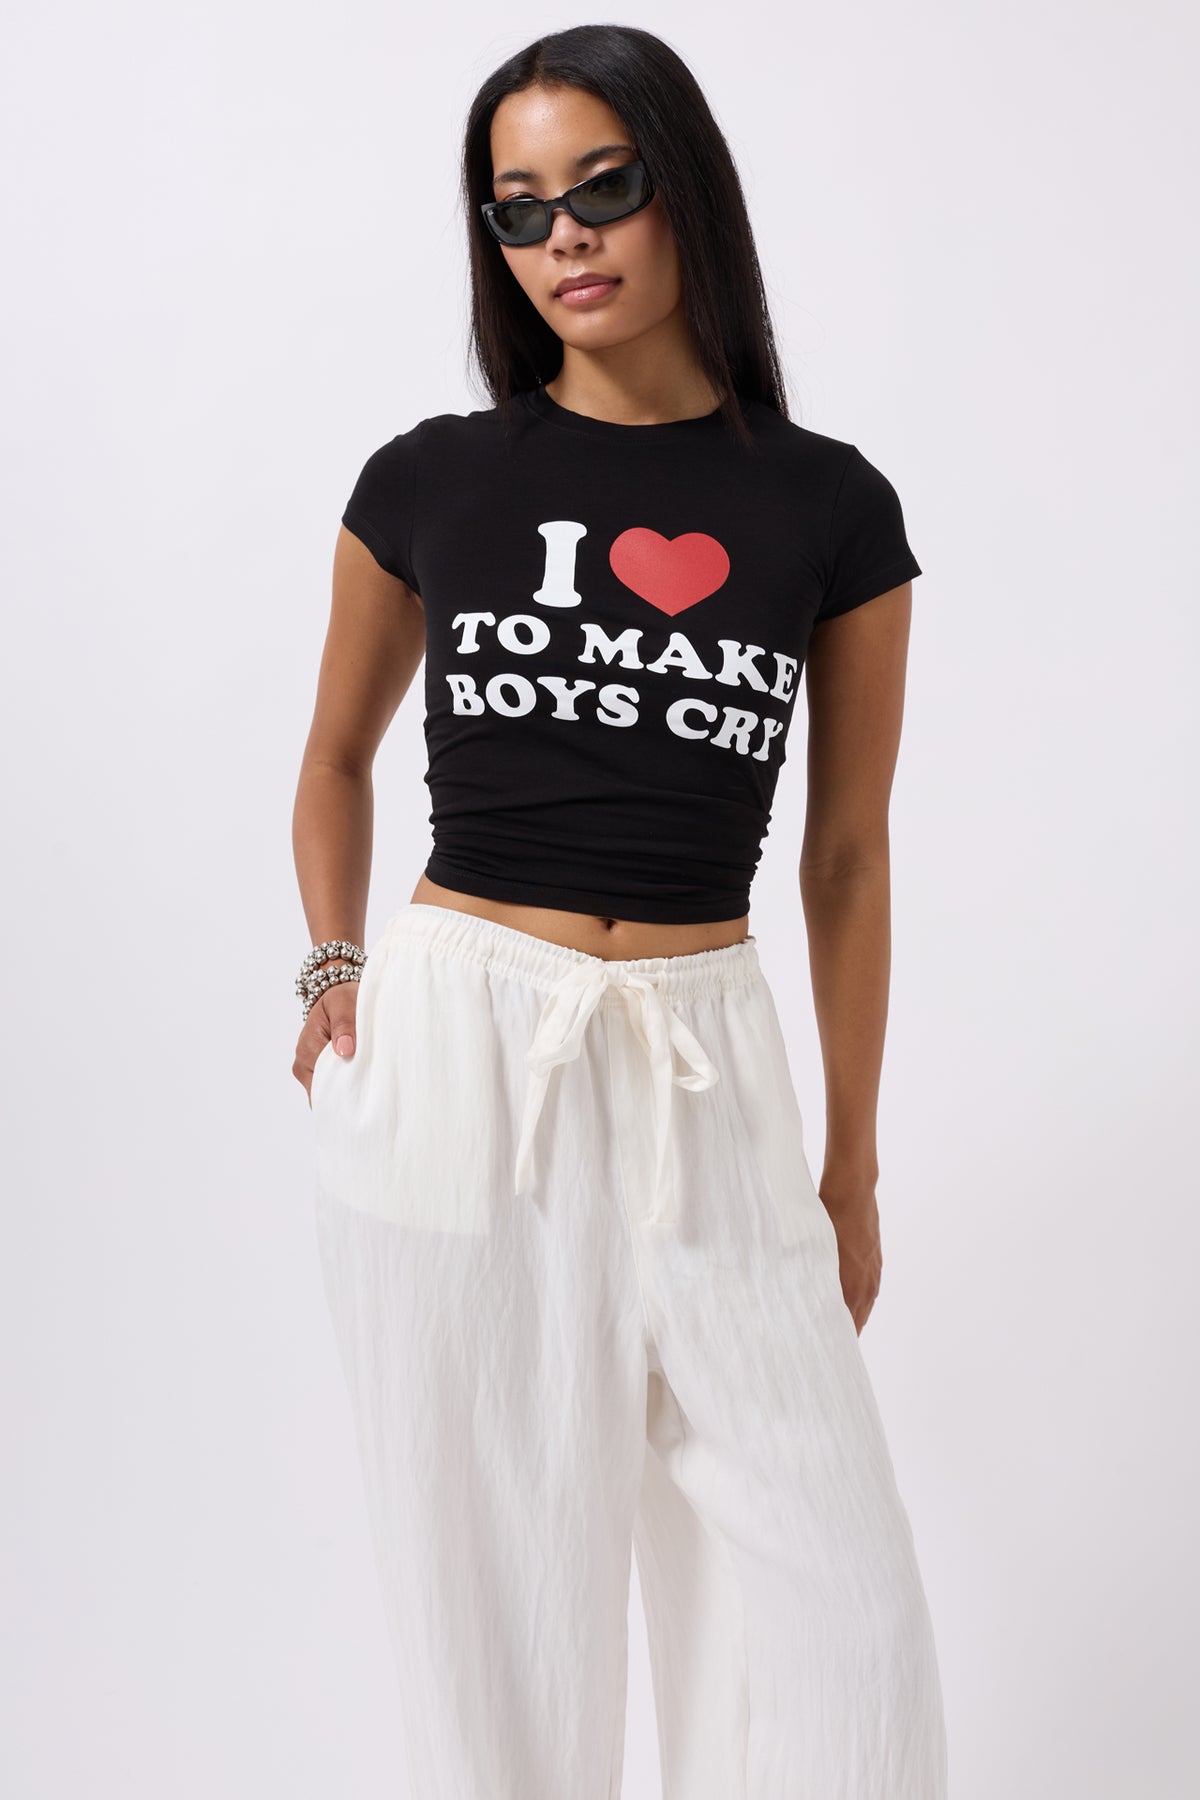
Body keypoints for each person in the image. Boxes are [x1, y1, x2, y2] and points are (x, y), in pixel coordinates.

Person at [292, 23, 948, 1800]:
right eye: (516, 209)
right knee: (499, 1627)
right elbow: (335, 759)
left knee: (844, 1639)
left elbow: (848, 854)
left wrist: (850, 1167)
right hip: (461, 1058)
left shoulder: (828, 505)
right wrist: (334, 964)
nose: (564, 236)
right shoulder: (432, 479)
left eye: (603, 186)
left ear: (687, 191)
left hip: (705, 1066)